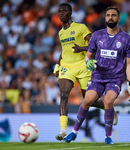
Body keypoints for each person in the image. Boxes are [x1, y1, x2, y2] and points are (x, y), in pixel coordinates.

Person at [63, 6, 130, 145]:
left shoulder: (126, 39)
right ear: (105, 18)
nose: (110, 17)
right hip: (98, 76)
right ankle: (74, 132)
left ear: (118, 18)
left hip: (115, 78)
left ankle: (108, 136)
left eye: (113, 15)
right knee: (87, 100)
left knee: (108, 101)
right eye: (108, 15)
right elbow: (88, 56)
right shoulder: (97, 35)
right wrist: (88, 62)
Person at [53, 3, 118, 141]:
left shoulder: (80, 27)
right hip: (67, 67)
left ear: (70, 13)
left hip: (83, 67)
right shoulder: (61, 32)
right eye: (59, 11)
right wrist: (58, 65)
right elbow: (64, 50)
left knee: (90, 100)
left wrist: (82, 49)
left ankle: (110, 108)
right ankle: (63, 130)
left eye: (64, 11)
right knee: (64, 94)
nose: (61, 14)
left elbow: (94, 45)